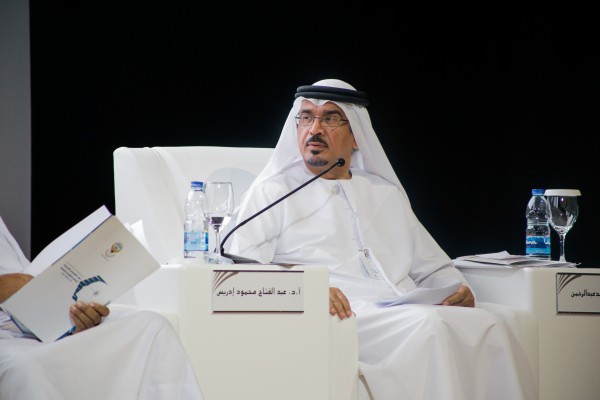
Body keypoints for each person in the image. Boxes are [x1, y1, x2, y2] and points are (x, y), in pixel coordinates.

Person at [229, 79, 538, 400]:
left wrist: (460, 290)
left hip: (402, 306)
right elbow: (241, 265)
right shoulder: (273, 191)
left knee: (494, 323)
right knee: (430, 327)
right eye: (306, 117)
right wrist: (306, 286)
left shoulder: (384, 193)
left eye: (330, 118)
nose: (315, 129)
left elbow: (434, 267)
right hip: (345, 314)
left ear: (357, 136)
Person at [0, 214, 204, 400]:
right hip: (7, 336)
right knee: (28, 367)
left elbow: (24, 279)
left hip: (33, 320)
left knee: (152, 326)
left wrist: (75, 313)